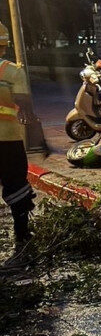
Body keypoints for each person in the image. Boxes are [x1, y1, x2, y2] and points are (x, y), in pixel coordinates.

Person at [0, 21, 35, 268]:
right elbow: (23, 100)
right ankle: (22, 237)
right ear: (4, 46)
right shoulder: (11, 71)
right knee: (16, 185)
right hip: (7, 139)